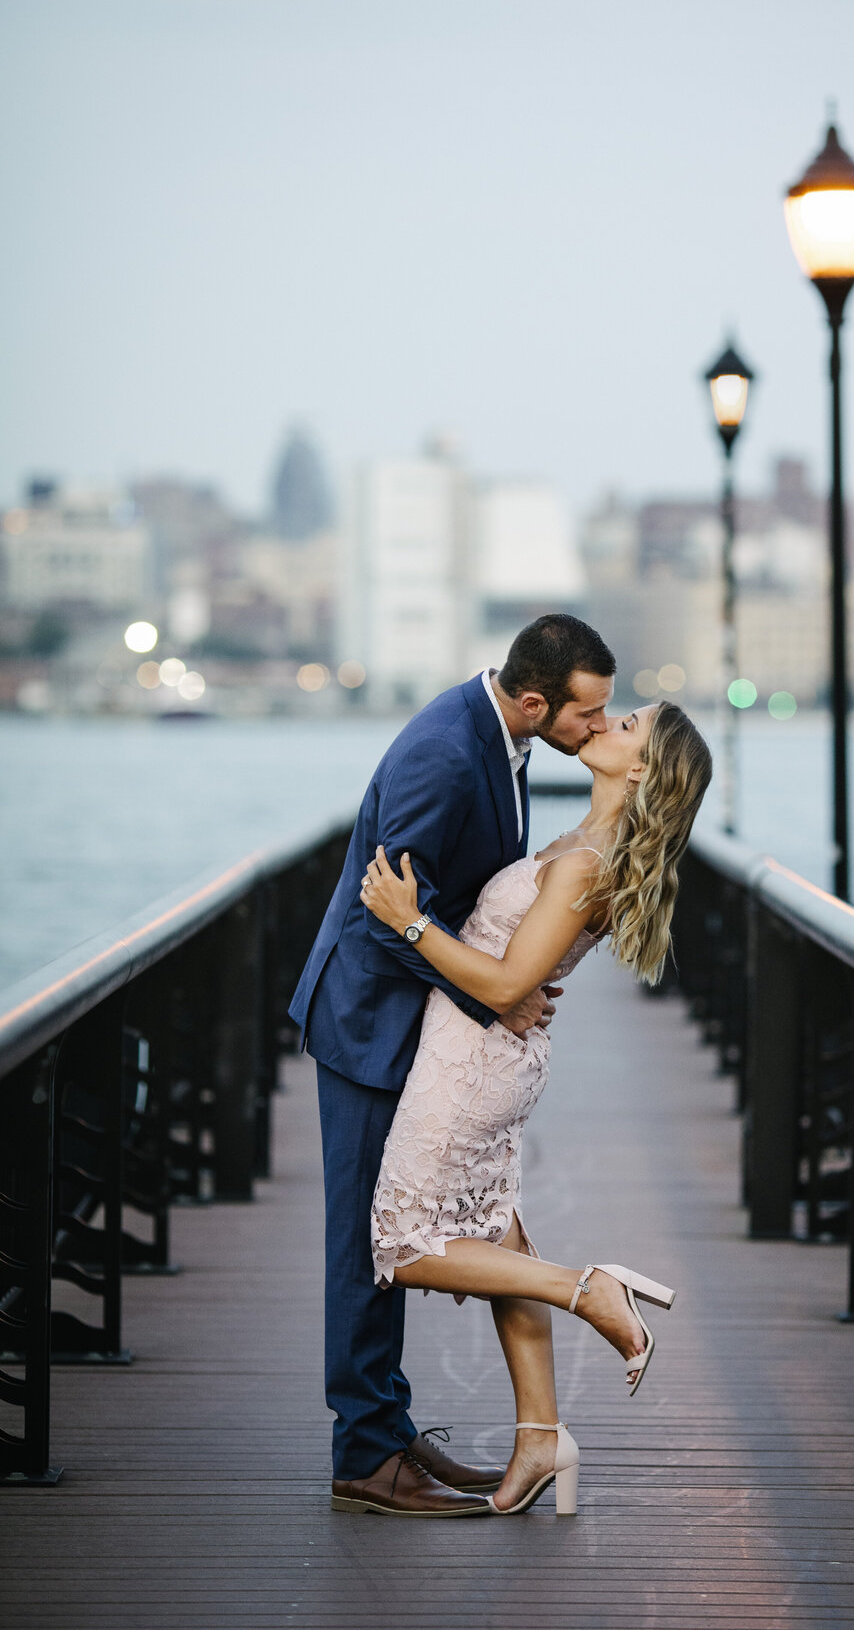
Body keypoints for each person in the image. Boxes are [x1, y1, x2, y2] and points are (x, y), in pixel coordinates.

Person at [288, 615, 616, 1518]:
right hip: (369, 1028)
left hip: (418, 1028)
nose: (595, 730)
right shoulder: (444, 750)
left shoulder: (500, 736)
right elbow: (380, 914)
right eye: (588, 714)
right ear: (537, 700)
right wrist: (495, 998)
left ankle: (388, 1432)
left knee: (398, 1226)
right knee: (366, 1238)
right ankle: (364, 1454)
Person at [358, 698, 712, 1516]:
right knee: (496, 1240)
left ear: (644, 770)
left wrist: (410, 925)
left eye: (628, 726)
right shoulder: (577, 842)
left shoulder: (590, 861)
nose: (608, 724)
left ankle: (586, 1288)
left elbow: (511, 984)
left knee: (404, 1249)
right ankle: (541, 1437)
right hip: (482, 1054)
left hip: (473, 1064)